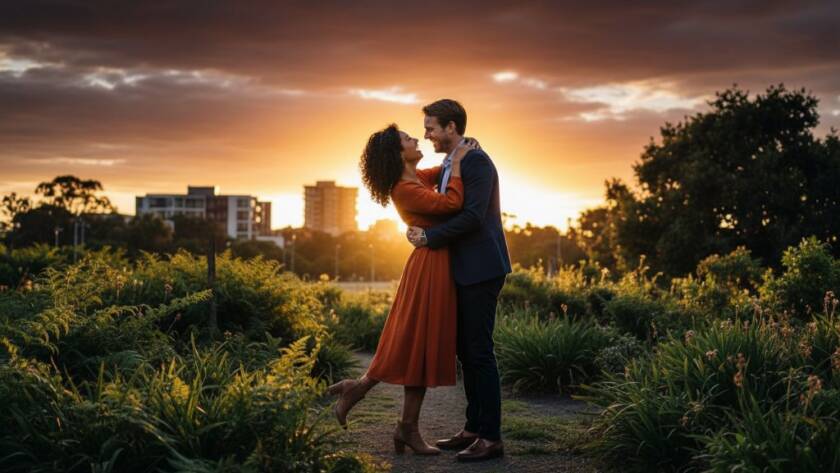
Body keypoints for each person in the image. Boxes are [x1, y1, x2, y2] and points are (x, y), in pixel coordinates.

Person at [327, 122, 478, 455]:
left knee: (418, 347)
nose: (416, 138)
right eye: (408, 138)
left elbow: (445, 169)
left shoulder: (416, 178)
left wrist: (461, 152)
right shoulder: (404, 187)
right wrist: (460, 157)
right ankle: (396, 420)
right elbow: (452, 203)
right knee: (416, 343)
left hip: (435, 266)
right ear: (398, 154)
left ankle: (396, 419)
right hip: (429, 269)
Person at [407, 99, 512, 462]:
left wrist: (430, 238)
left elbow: (473, 217)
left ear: (452, 127)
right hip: (465, 268)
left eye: (431, 127)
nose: (427, 134)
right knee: (467, 352)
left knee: (480, 352)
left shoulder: (477, 162)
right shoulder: (453, 162)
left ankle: (491, 437)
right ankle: (472, 428)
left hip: (482, 267)